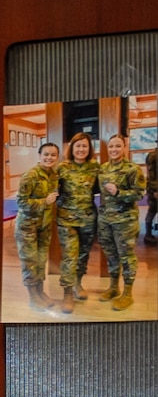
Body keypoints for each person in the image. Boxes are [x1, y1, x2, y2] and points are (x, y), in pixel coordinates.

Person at [95, 131, 142, 310]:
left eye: (118, 146)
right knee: (111, 255)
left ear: (124, 147)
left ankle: (127, 293)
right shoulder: (103, 168)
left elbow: (139, 193)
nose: (114, 149)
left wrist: (119, 192)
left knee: (126, 256)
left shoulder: (132, 169)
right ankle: (114, 287)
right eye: (111, 146)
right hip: (106, 220)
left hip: (125, 221)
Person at [13, 140, 61, 313]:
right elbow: (21, 202)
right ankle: (33, 297)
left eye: (53, 155)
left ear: (57, 157)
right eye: (46, 154)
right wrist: (44, 201)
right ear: (40, 156)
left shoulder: (54, 175)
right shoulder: (30, 175)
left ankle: (40, 292)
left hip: (44, 226)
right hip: (27, 227)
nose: (49, 158)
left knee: (40, 261)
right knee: (30, 262)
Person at [54, 133, 100, 306]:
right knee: (69, 257)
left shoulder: (95, 167)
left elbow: (98, 189)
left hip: (88, 219)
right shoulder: (62, 167)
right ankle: (67, 294)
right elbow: (53, 189)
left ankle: (77, 283)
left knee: (82, 255)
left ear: (89, 149)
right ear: (72, 147)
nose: (81, 149)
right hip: (67, 220)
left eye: (84, 146)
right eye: (78, 146)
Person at [146, 143, 158, 245]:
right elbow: (151, 175)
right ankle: (148, 235)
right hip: (154, 189)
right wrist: (155, 190)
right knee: (152, 210)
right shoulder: (153, 156)